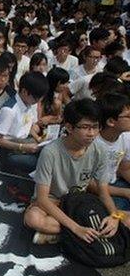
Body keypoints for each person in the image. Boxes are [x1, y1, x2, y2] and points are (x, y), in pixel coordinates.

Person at [24, 98, 125, 245]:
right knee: (33, 219)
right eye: (85, 127)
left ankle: (63, 234)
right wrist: (76, 228)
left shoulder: (99, 150)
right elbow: (42, 199)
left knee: (120, 218)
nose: (91, 133)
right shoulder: (51, 152)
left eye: (95, 127)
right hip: (53, 201)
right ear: (69, 127)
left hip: (78, 202)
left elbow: (103, 191)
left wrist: (115, 217)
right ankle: (85, 231)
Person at [0, 72, 49, 175]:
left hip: (23, 143)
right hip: (7, 152)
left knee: (50, 153)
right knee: (41, 163)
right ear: (24, 91)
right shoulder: (9, 110)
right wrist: (23, 147)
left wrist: (38, 139)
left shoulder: (27, 103)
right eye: (36, 98)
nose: (38, 101)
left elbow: (27, 125)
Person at [94, 93, 130, 213]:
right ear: (111, 121)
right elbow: (87, 184)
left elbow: (124, 169)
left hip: (114, 183)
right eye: (128, 116)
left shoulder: (125, 137)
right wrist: (124, 192)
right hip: (96, 190)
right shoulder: (93, 143)